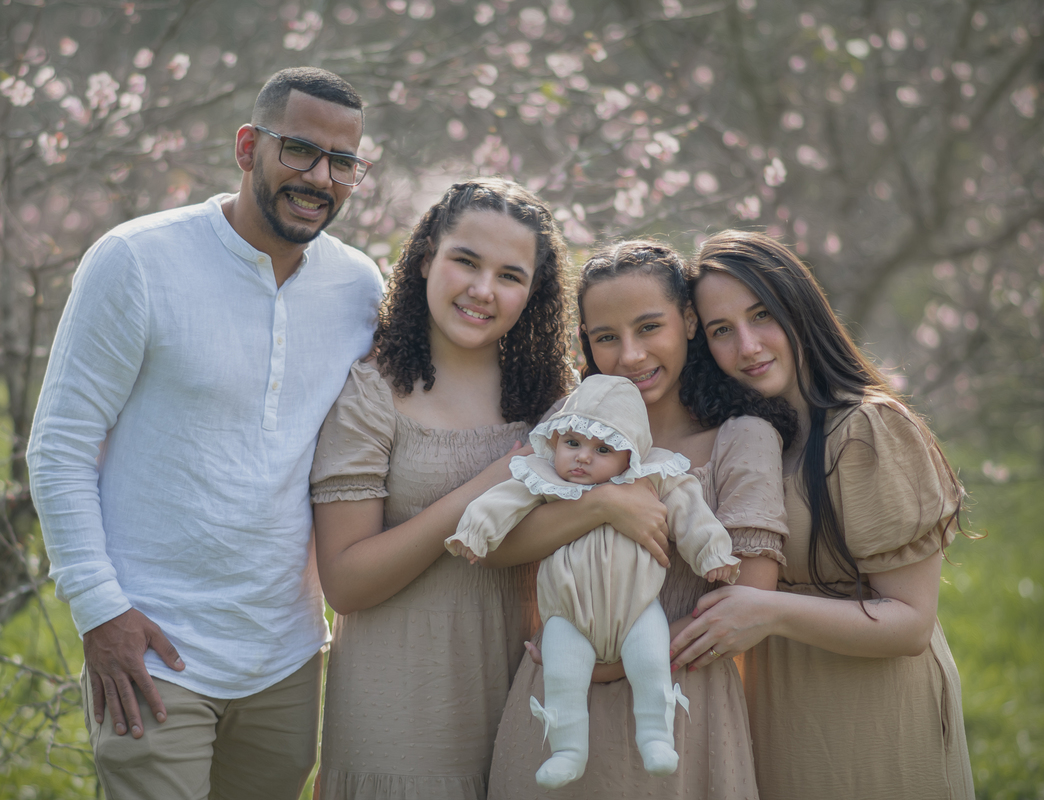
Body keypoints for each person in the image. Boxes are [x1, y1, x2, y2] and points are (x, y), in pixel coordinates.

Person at [26, 67, 384, 799]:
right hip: (153, 654)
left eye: (343, 162)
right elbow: (59, 446)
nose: (320, 177)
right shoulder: (137, 260)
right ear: (248, 146)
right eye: (299, 151)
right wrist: (101, 611)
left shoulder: (359, 289)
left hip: (286, 659)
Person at [484, 240, 795, 800]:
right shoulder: (570, 427)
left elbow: (747, 598)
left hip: (680, 708)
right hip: (557, 705)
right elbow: (504, 545)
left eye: (649, 328)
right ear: (586, 341)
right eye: (606, 337)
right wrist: (602, 505)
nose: (629, 355)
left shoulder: (739, 438)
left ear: (690, 322)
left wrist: (613, 665)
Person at [673, 230, 973, 800]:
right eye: (721, 330)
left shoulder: (867, 429)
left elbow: (910, 623)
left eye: (762, 315)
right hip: (774, 714)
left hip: (871, 717)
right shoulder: (747, 440)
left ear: (798, 307)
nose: (748, 345)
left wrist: (768, 610)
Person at [308, 177, 572, 799]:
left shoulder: (555, 400)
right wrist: (483, 486)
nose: (483, 291)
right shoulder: (373, 393)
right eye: (466, 261)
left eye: (510, 276)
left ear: (533, 293)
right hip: (396, 719)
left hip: (525, 704)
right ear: (427, 257)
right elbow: (345, 583)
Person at [446, 373, 740, 788]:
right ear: (557, 441)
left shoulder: (654, 478)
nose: (583, 458)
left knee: (651, 664)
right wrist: (475, 533)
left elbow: (692, 512)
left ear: (630, 454)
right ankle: (568, 749)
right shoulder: (546, 479)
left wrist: (713, 554)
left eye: (603, 449)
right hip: (567, 615)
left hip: (637, 609)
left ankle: (656, 735)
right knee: (562, 676)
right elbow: (500, 501)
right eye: (573, 444)